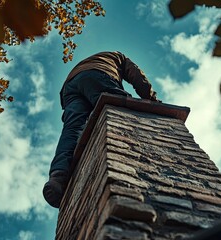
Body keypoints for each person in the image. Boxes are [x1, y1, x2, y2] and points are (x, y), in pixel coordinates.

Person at [43, 51, 160, 208]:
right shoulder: (119, 57)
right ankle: (130, 147)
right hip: (99, 74)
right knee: (120, 107)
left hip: (70, 87)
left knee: (72, 129)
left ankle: (57, 177)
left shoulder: (91, 60)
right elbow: (137, 76)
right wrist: (151, 99)